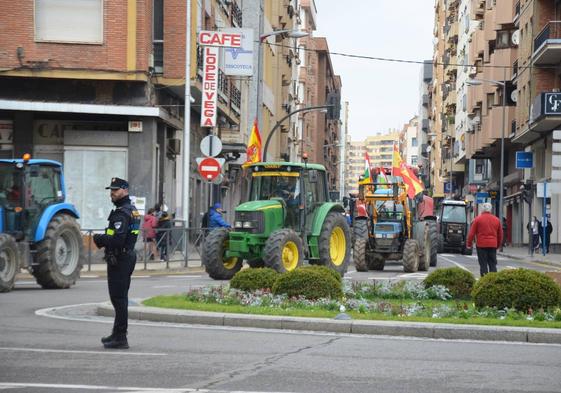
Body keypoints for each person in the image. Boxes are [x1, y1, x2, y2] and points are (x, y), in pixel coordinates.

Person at [93, 177, 140, 349]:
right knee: (119, 298)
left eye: (115, 190)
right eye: (111, 190)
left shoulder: (122, 212)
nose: (112, 193)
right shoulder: (131, 210)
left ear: (125, 190)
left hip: (120, 258)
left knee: (119, 299)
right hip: (126, 257)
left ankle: (121, 337)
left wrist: (99, 239)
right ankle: (117, 333)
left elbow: (117, 239)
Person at [466, 202, 503, 277]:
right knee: (492, 264)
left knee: (483, 264)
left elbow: (471, 233)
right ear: (491, 210)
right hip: (493, 245)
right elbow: (500, 235)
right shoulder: (497, 220)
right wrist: (498, 245)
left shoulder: (477, 219)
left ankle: (484, 281)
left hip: (481, 245)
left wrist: (469, 244)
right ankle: (493, 281)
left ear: (482, 210)